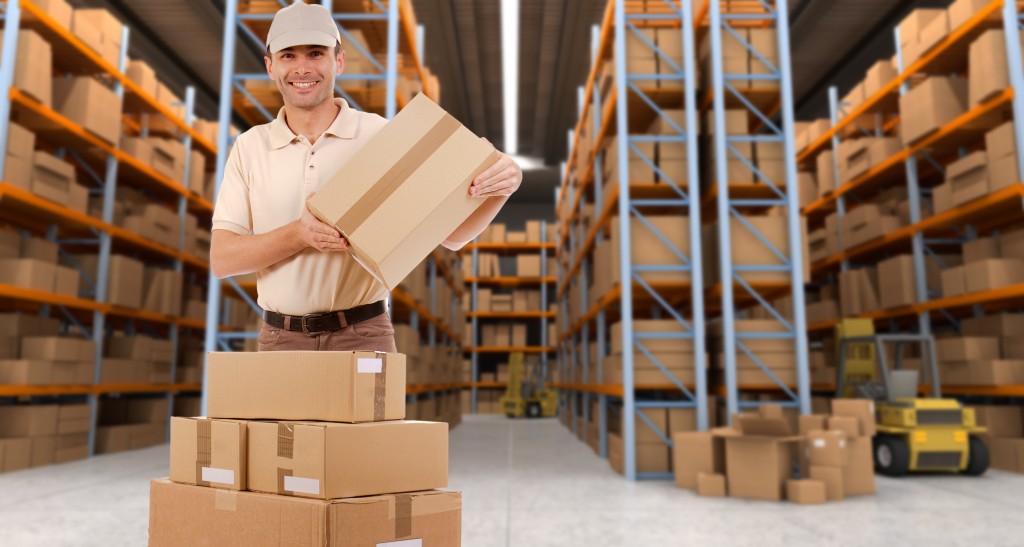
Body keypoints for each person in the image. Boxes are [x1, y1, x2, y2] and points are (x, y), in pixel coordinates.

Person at [210, 3, 521, 353]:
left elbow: (452, 236)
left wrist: (502, 187)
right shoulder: (250, 148)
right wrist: (299, 234)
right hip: (281, 339)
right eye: (287, 56)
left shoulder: (380, 135)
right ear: (270, 66)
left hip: (362, 335)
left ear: (339, 61)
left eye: (316, 53)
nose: (302, 68)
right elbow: (223, 260)